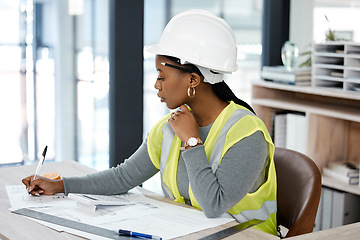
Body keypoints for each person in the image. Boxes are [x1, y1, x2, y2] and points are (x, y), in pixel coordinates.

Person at [22, 9, 277, 236]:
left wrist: (191, 142)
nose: (156, 85)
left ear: (193, 80)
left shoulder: (247, 133)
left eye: (161, 76)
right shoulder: (169, 127)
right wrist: (59, 185)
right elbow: (123, 177)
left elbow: (214, 205)